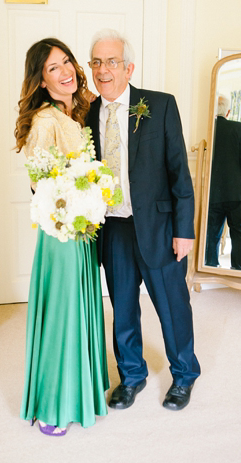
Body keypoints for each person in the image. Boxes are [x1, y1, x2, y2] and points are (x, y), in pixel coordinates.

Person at [85, 29, 200, 411]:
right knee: (123, 309)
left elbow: (179, 174)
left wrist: (184, 231)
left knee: (172, 305)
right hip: (113, 228)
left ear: (129, 67)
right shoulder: (86, 113)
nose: (103, 70)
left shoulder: (160, 105)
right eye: (97, 62)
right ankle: (131, 375)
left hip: (160, 227)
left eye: (112, 62)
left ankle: (184, 374)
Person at [15, 38, 109, 436]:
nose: (65, 71)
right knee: (62, 316)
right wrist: (78, 204)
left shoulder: (76, 112)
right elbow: (41, 186)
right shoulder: (45, 121)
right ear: (40, 79)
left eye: (67, 61)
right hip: (63, 233)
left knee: (79, 309)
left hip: (82, 229)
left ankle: (81, 389)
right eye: (54, 67)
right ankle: (53, 405)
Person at [205, 95, 241, 270]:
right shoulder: (239, 128)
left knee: (212, 233)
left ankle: (210, 265)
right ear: (228, 111)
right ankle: (239, 268)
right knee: (239, 233)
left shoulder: (208, 129)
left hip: (213, 193)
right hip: (237, 192)